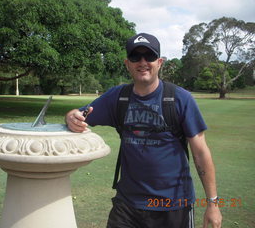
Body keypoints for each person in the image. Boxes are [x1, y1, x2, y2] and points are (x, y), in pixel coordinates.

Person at [65, 33, 222, 228]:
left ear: (159, 62)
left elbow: (200, 153)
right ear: (127, 63)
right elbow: (79, 114)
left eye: (149, 56)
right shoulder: (118, 97)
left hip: (173, 206)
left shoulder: (180, 99)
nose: (142, 62)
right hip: (127, 206)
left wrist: (213, 204)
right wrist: (72, 117)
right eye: (135, 57)